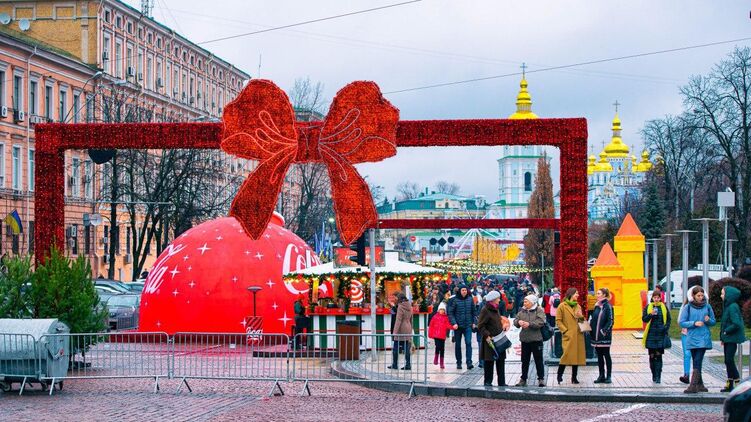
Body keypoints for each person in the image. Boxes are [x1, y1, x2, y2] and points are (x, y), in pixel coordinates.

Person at [679, 286, 716, 394]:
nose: (700, 297)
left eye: (702, 295)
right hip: (692, 337)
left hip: (703, 338)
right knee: (696, 360)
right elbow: (682, 322)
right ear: (693, 296)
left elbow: (713, 322)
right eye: (698, 295)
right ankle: (700, 385)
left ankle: (693, 385)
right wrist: (694, 323)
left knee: (697, 360)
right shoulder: (688, 307)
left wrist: (708, 320)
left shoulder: (707, 307)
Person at [514, 293, 547, 387]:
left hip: (536, 339)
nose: (524, 303)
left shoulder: (539, 310)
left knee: (538, 360)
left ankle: (541, 379)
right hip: (525, 339)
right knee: (524, 360)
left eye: (526, 301)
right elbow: (515, 321)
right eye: (524, 301)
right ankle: (523, 379)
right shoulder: (522, 310)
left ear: (532, 302)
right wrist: (518, 322)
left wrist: (529, 324)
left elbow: (541, 322)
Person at [478, 290, 509, 386]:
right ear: (493, 299)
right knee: (489, 362)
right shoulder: (485, 310)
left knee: (501, 361)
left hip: (499, 339)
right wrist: (487, 335)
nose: (499, 300)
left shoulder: (496, 308)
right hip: (490, 340)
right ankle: (488, 382)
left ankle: (501, 382)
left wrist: (503, 326)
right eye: (498, 298)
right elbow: (481, 326)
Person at [556, 288, 585, 384]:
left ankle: (574, 377)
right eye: (576, 293)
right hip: (568, 335)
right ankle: (559, 375)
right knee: (566, 356)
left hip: (577, 335)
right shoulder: (562, 306)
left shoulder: (578, 306)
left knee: (576, 357)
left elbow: (582, 322)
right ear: (571, 294)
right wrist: (565, 331)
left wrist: (581, 316)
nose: (578, 295)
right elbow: (558, 320)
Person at [720, 286, 746, 392]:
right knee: (727, 361)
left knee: (729, 360)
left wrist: (726, 331)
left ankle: (737, 380)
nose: (721, 296)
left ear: (728, 295)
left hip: (731, 338)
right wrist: (723, 337)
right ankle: (729, 384)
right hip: (727, 339)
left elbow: (736, 323)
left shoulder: (732, 307)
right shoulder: (728, 306)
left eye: (722, 293)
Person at [642, 290, 670, 383]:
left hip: (660, 335)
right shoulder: (648, 307)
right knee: (652, 356)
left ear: (660, 298)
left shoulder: (664, 307)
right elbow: (644, 319)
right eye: (655, 297)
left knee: (659, 356)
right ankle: (654, 374)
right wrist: (651, 314)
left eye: (658, 297)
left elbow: (668, 319)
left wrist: (665, 328)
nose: (656, 299)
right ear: (652, 298)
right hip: (651, 335)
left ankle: (658, 376)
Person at [447, 284, 478, 370]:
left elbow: (474, 312)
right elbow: (450, 313)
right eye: (462, 290)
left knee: (468, 343)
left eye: (465, 290)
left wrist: (474, 322)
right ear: (460, 291)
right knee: (458, 345)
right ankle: (459, 362)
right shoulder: (455, 300)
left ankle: (469, 362)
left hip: (468, 325)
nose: (464, 292)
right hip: (458, 326)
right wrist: (454, 323)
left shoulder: (470, 299)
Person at [590, 287, 614, 384]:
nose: (597, 295)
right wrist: (590, 329)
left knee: (606, 355)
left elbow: (610, 321)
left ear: (604, 295)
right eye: (597, 293)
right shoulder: (596, 306)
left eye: (599, 293)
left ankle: (608, 376)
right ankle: (601, 375)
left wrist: (603, 331)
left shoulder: (608, 306)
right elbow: (593, 319)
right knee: (599, 356)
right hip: (595, 337)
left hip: (604, 337)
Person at [388, 293, 414, 370]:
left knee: (395, 347)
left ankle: (395, 364)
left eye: (396, 298)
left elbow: (398, 320)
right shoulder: (410, 306)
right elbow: (411, 319)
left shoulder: (400, 306)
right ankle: (408, 365)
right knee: (406, 348)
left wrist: (394, 332)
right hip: (408, 327)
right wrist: (410, 329)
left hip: (401, 329)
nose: (396, 299)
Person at [678, 286, 697, 384]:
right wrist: (691, 323)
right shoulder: (685, 306)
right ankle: (686, 374)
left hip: (696, 334)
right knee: (687, 354)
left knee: (695, 355)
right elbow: (680, 321)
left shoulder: (702, 306)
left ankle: (696, 376)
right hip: (686, 333)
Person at [428, 302, 452, 369]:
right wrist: (430, 334)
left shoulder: (446, 317)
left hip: (442, 336)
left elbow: (448, 325)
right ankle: (436, 358)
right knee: (438, 346)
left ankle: (442, 362)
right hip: (436, 335)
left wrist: (453, 327)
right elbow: (431, 326)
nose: (442, 311)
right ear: (438, 310)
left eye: (443, 310)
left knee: (442, 349)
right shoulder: (435, 317)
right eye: (441, 309)